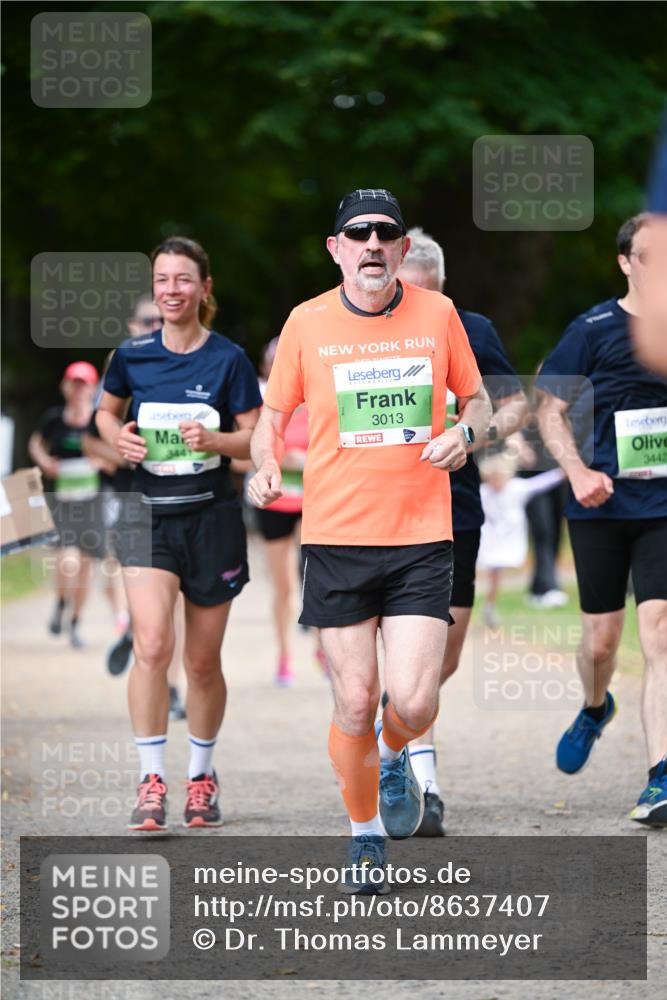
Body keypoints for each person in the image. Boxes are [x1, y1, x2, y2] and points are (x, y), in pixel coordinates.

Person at [248, 189, 491, 891]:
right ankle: (363, 836)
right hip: (335, 539)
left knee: (414, 702)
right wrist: (265, 465)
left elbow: (478, 402)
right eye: (359, 233)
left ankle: (392, 752)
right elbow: (271, 415)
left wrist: (463, 433)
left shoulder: (438, 315)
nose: (374, 243)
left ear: (401, 248)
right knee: (353, 699)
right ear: (338, 248)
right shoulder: (306, 322)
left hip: (420, 534)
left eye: (386, 232)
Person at [96, 237, 262, 832]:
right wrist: (118, 437)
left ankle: (200, 774)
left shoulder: (229, 360)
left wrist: (214, 442)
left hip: (212, 518)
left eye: (183, 279)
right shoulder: (132, 356)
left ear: (204, 288)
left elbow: (255, 437)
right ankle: (150, 777)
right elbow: (106, 412)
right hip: (148, 515)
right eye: (163, 279)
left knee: (200, 660)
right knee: (152, 645)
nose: (172, 289)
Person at [537, 214, 667, 828]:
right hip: (600, 505)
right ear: (625, 262)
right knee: (601, 642)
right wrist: (578, 472)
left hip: (664, 508)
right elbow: (549, 411)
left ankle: (659, 777)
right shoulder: (591, 328)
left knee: (661, 633)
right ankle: (595, 706)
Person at [396, 228, 527, 834]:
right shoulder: (365, 329)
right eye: (405, 294)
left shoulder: (470, 329)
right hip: (384, 514)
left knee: (437, 665)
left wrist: (471, 434)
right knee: (403, 665)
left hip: (456, 509)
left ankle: (389, 735)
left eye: (427, 297)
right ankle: (423, 785)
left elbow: (514, 405)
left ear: (444, 290)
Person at [89, 295, 188, 720]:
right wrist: (124, 449)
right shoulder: (121, 367)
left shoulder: (190, 361)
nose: (153, 324)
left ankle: (173, 686)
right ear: (131, 326)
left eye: (159, 319)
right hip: (129, 496)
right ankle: (137, 629)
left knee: (179, 599)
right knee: (141, 587)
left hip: (181, 498)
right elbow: (90, 440)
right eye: (146, 320)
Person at [254, 337, 328, 686]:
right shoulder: (263, 401)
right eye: (274, 360)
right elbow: (250, 448)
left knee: (312, 577)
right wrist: (279, 459)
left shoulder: (319, 398)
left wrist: (307, 460)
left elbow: (336, 452)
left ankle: (321, 647)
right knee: (283, 587)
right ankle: (284, 657)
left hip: (311, 500)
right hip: (274, 501)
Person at [28, 361, 108, 648]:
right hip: (62, 501)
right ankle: (61, 602)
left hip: (91, 501)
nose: (78, 390)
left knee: (85, 567)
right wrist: (46, 463)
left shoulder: (99, 420)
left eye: (83, 384)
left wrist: (98, 461)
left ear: (92, 388)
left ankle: (75, 622)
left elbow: (114, 454)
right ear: (66, 387)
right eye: (74, 383)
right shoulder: (54, 418)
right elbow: (36, 444)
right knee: (67, 560)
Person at [477, 453, 565, 627]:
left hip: (508, 541)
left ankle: (489, 605)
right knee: (489, 573)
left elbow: (539, 484)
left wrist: (561, 473)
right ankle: (485, 605)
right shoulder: (483, 493)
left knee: (496, 573)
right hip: (489, 540)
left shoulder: (515, 489)